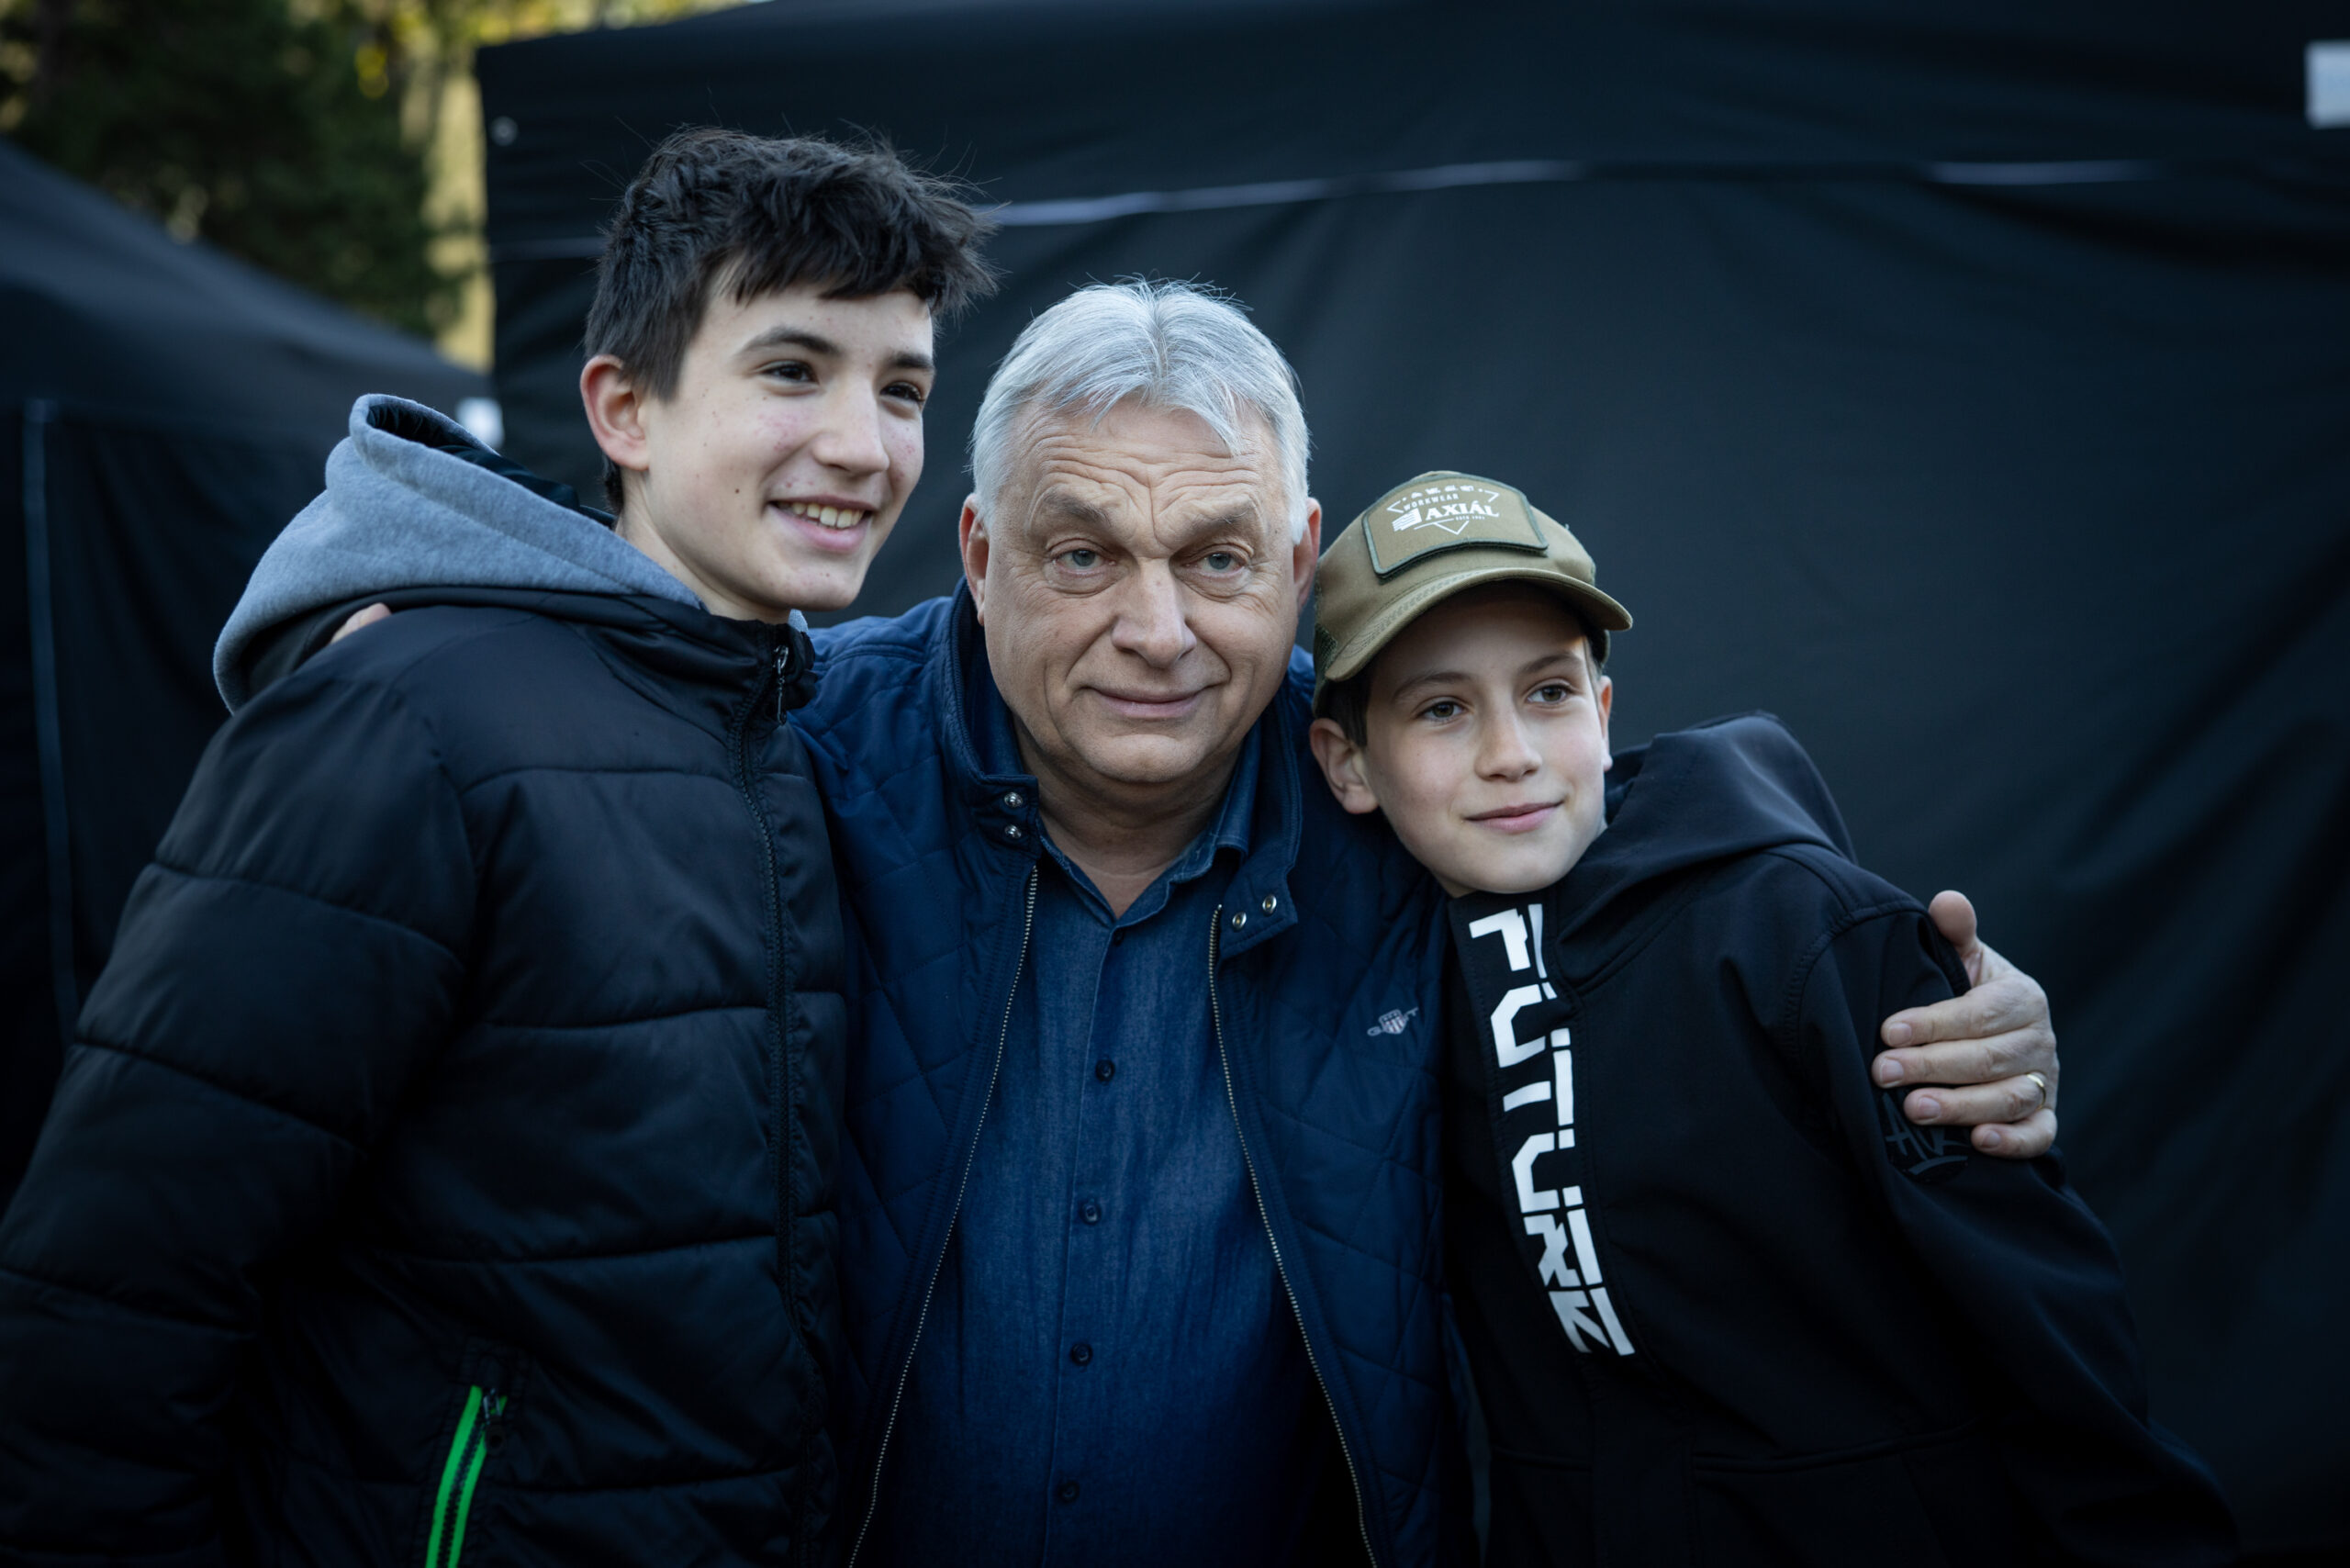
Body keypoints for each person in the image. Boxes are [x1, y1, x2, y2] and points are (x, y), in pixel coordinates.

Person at [200, 280, 2062, 1566]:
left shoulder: (1391, 803)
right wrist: (389, 620)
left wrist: (1895, 971)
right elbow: (553, 701)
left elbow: (1617, 807)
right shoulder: (777, 765)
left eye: (1219, 558)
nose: (1157, 630)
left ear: (1299, 563)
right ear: (980, 552)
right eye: (1083, 552)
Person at [0, 129, 992, 1564]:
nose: (862, 444)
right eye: (792, 370)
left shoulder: (792, 732)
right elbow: (117, 1280)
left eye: (900, 389)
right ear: (625, 409)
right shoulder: (407, 718)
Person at [1303, 471, 2235, 1563]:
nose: (1510, 751)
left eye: (1548, 691)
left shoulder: (1804, 929)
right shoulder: (1388, 991)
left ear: (1602, 712)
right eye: (1441, 708)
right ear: (1347, 764)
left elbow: (2045, 1326)